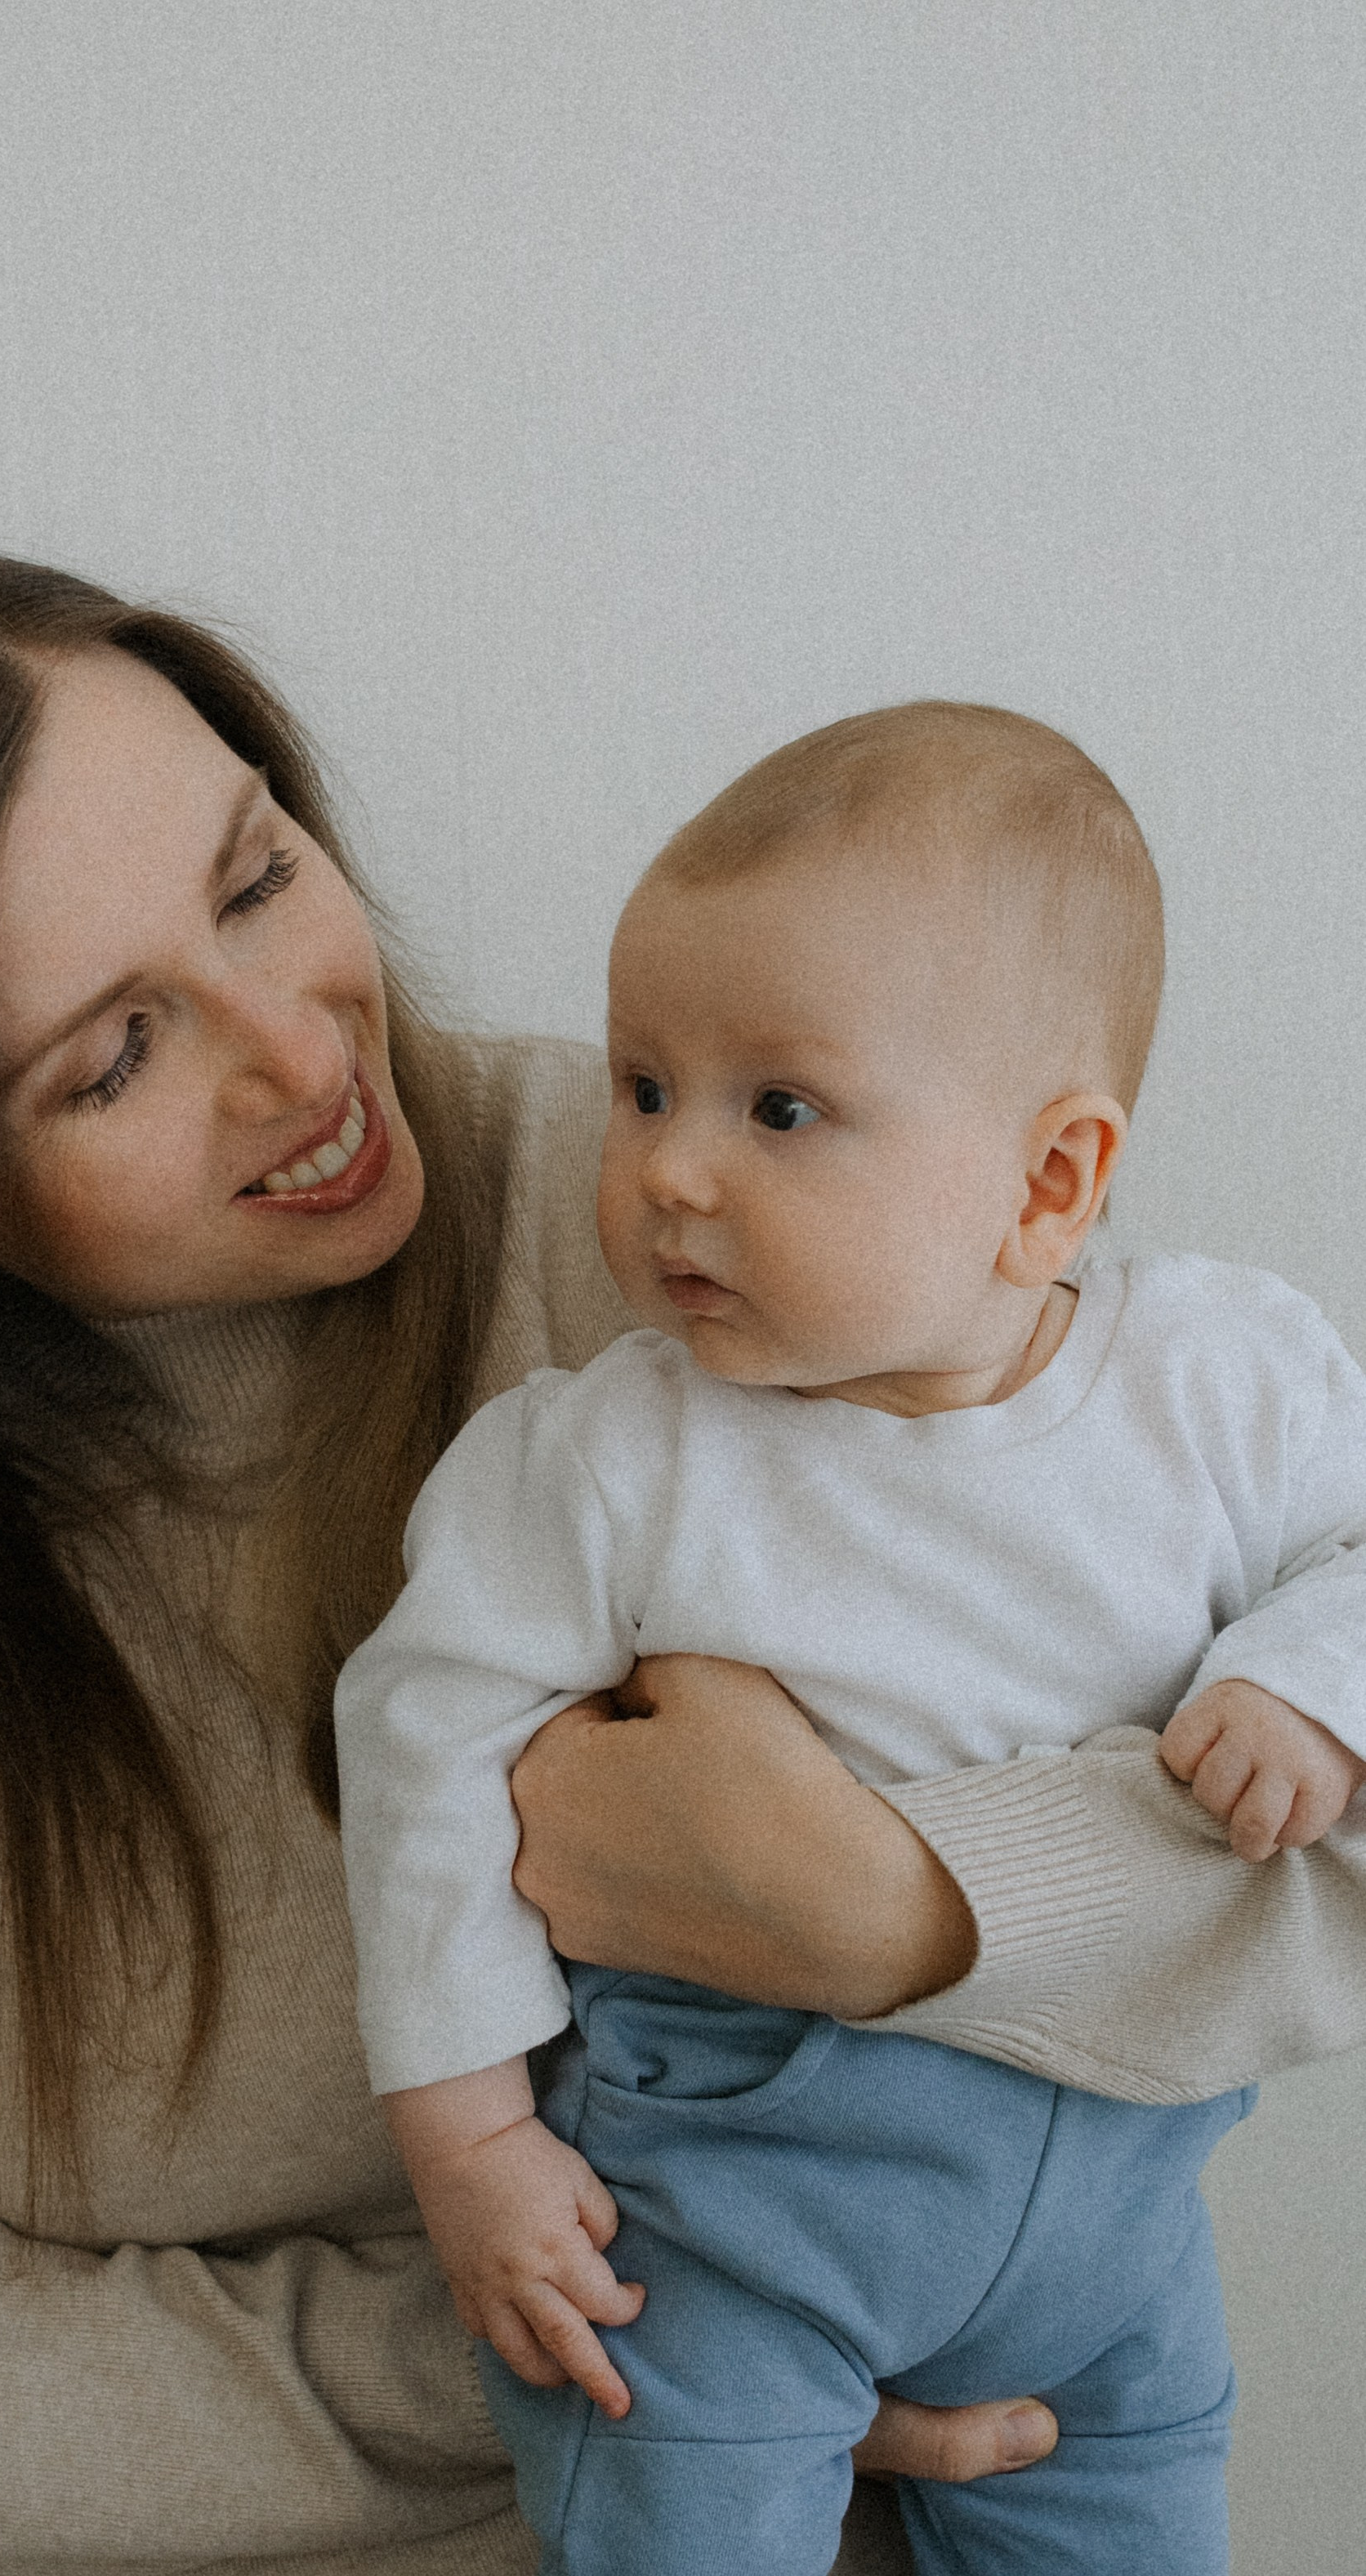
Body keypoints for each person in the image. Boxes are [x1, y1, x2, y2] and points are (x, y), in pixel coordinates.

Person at [0, 544, 1359, 2576]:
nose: (301, 1059)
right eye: (112, 1056)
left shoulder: (744, 1231)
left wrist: (898, 1908)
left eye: (257, 877)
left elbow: (1298, 1762)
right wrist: (627, 2340)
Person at [333, 704, 1366, 2575]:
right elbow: (423, 1740)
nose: (670, 1170)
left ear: (1047, 1184)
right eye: (643, 1087)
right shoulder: (604, 1458)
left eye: (776, 1109)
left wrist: (1308, 1677)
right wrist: (470, 2137)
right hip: (728, 2230)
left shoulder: (1223, 1384)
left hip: (1116, 2228)